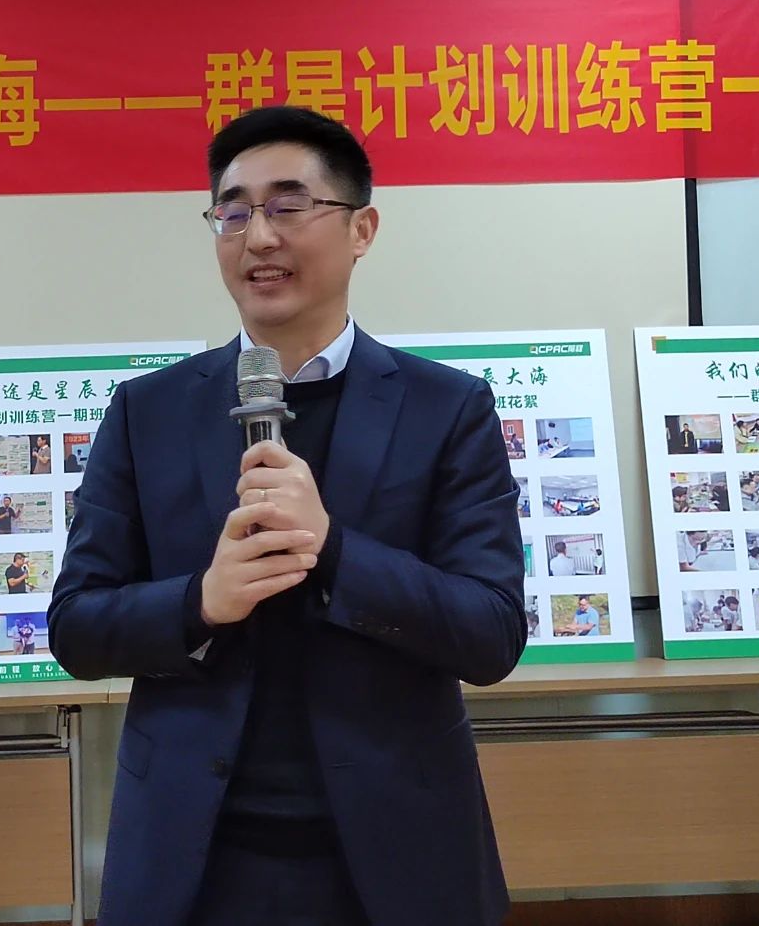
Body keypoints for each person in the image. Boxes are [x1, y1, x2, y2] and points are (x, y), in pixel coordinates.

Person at [48, 107, 524, 926]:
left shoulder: (447, 408)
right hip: (192, 859)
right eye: (233, 212)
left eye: (289, 205)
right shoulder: (147, 411)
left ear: (362, 228)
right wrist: (199, 601)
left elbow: (491, 632)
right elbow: (77, 627)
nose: (258, 236)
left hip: (397, 854)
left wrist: (332, 548)